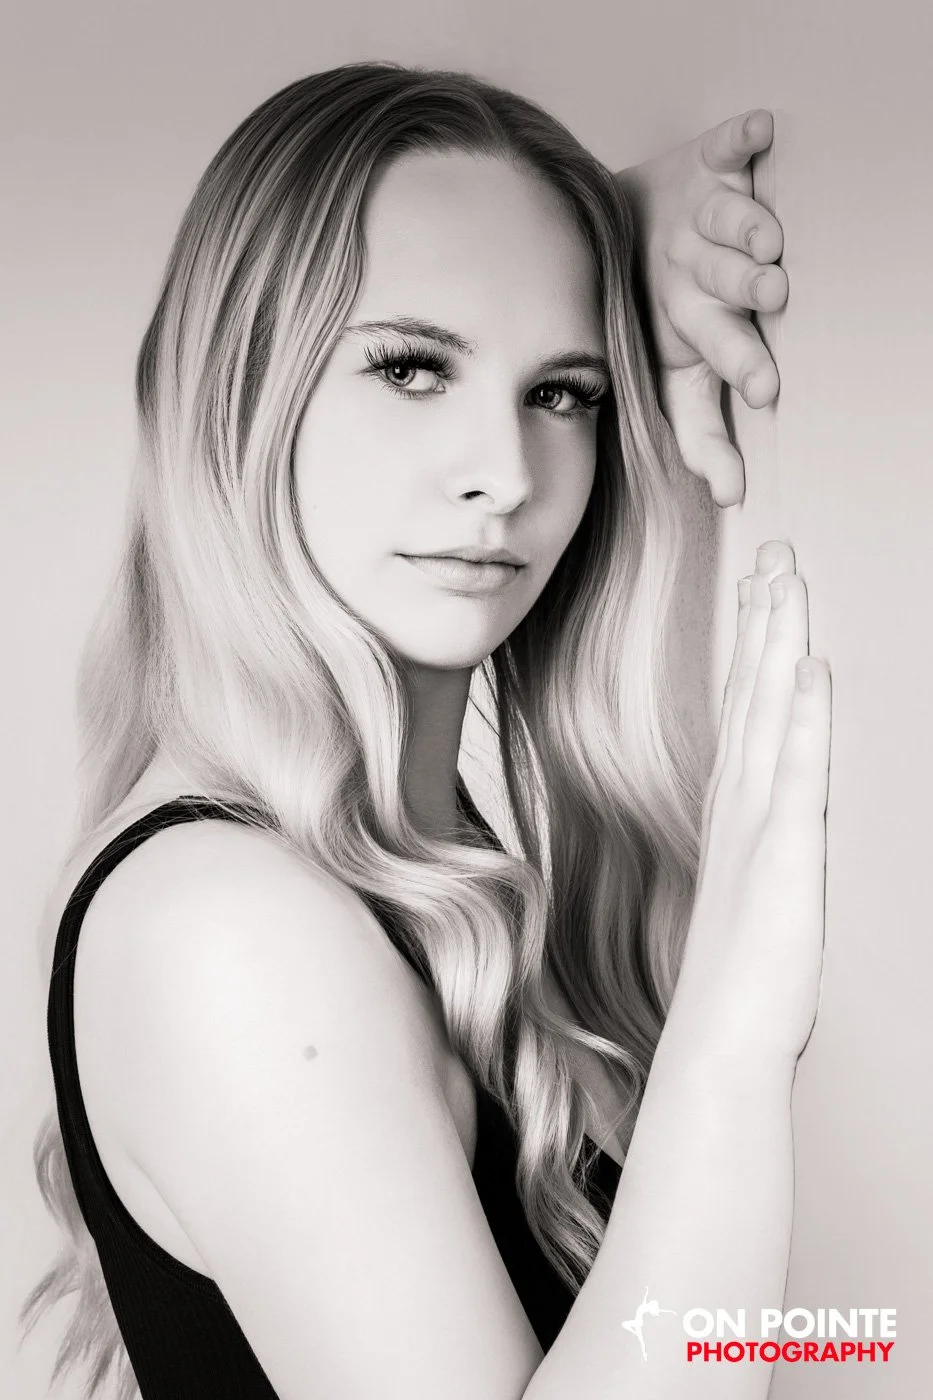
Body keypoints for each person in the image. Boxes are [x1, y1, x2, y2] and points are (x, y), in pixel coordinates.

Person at [21, 62, 830, 1400]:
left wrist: (610, 240)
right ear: (239, 387)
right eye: (410, 368)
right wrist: (735, 1035)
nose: (505, 476)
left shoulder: (402, 887)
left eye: (563, 392)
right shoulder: (229, 926)